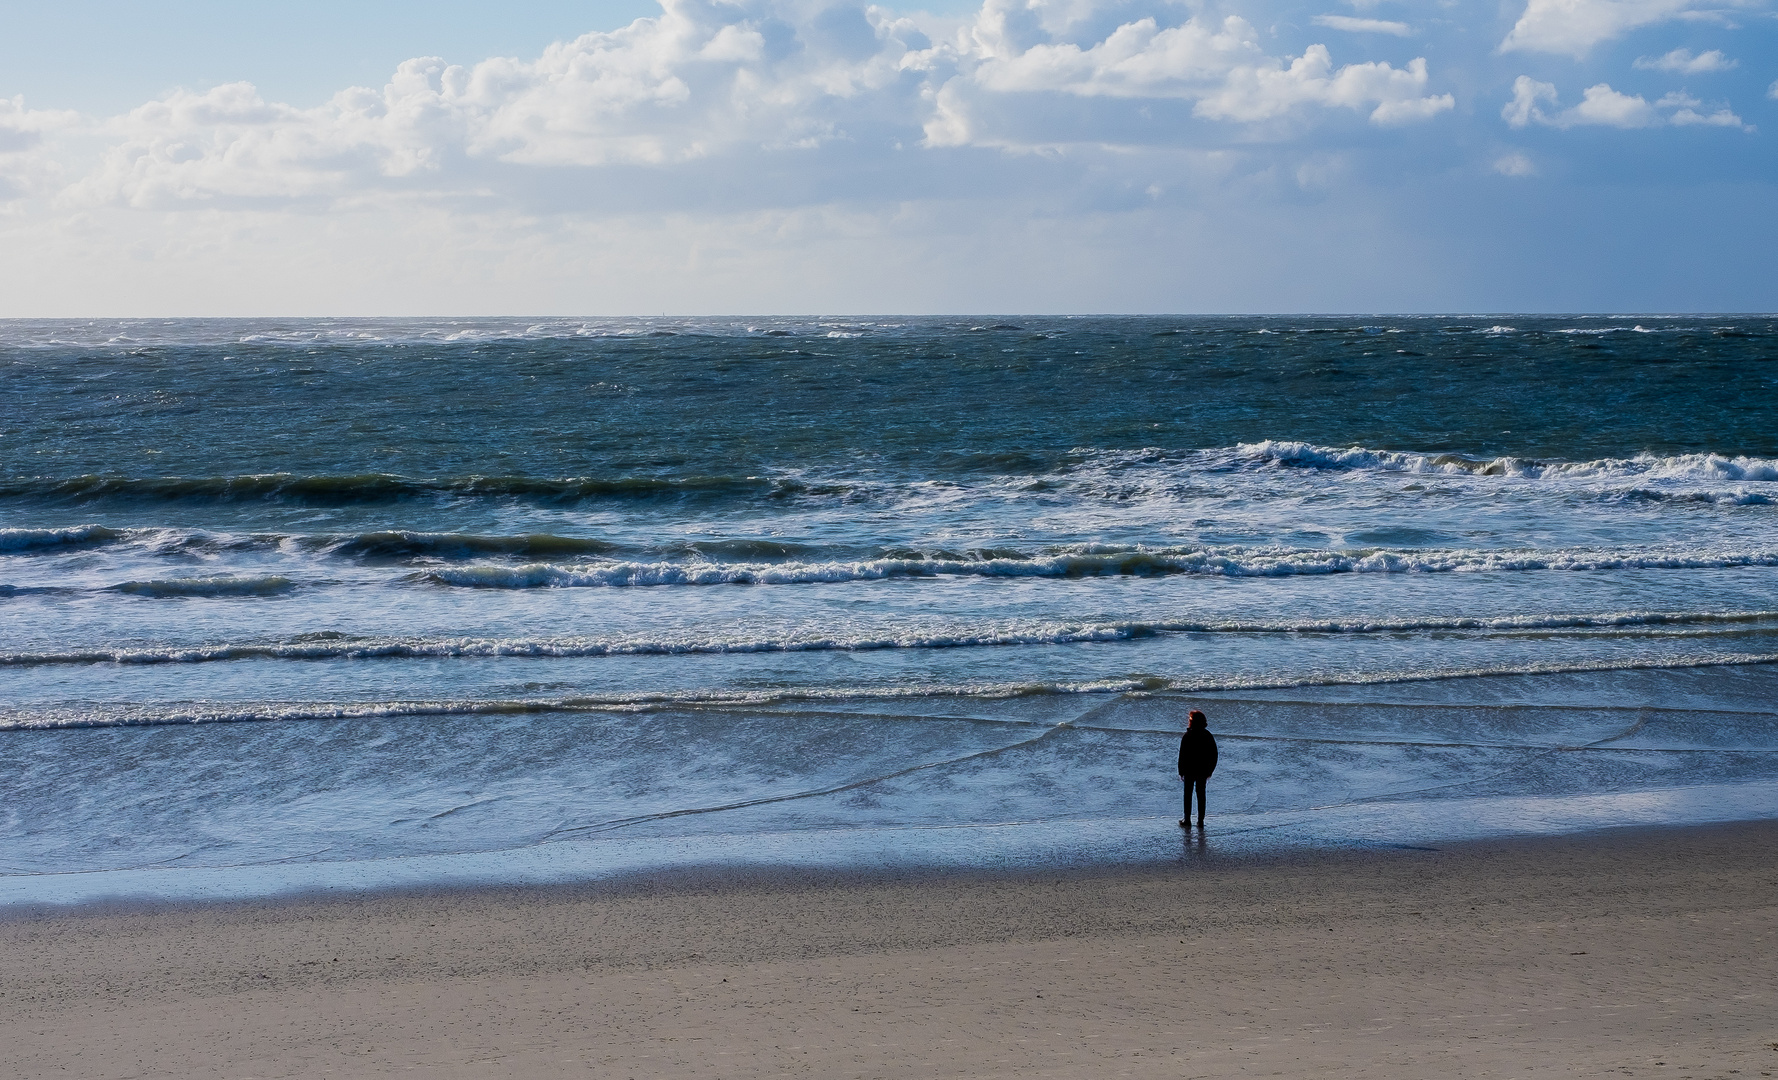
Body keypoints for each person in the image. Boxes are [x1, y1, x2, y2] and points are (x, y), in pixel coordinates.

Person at [1177, 709, 1217, 828]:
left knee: (1188, 795)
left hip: (1189, 769)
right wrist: (1210, 770)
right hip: (1202, 770)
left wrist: (1181, 770)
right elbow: (1214, 755)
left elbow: (1182, 755)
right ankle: (1200, 821)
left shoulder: (1188, 735)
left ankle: (1187, 819)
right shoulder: (1207, 735)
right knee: (1201, 795)